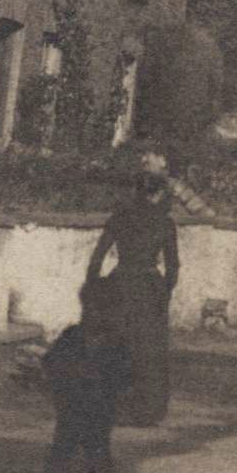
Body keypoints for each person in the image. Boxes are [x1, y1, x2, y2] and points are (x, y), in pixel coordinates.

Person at [86, 151, 180, 426]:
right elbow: (173, 267)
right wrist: (164, 292)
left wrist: (95, 288)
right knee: (149, 350)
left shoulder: (120, 217)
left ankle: (111, 407)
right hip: (150, 288)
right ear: (158, 193)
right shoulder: (166, 223)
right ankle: (147, 411)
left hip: (121, 283)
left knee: (116, 344)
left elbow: (97, 258)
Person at [43, 277, 131, 473]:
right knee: (63, 448)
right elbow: (50, 361)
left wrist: (105, 380)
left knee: (98, 450)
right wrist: (68, 371)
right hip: (70, 404)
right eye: (87, 309)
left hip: (101, 408)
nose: (92, 315)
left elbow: (125, 376)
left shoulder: (117, 344)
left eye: (102, 311)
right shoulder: (72, 335)